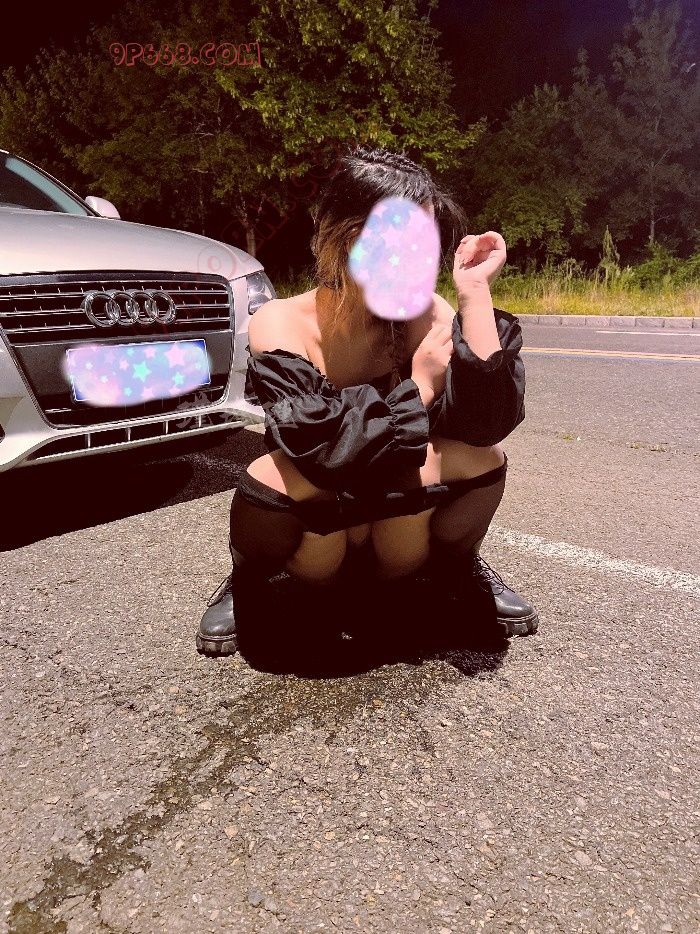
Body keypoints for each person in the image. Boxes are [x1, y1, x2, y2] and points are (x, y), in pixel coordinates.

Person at [196, 146, 538, 657]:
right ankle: (249, 577)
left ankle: (457, 566)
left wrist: (473, 295)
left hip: (393, 520)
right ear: (350, 240)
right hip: (324, 521)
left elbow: (486, 422)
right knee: (269, 476)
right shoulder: (281, 322)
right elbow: (318, 450)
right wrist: (419, 387)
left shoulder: (421, 313)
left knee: (483, 458)